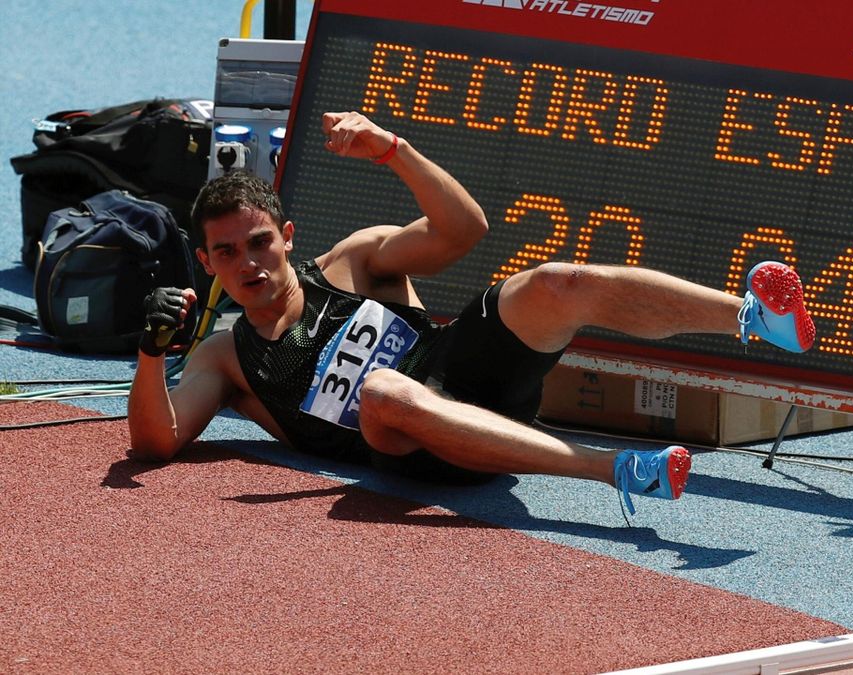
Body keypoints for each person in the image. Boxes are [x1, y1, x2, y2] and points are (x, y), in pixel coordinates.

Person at [127, 110, 815, 515]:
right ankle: (618, 470)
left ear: (287, 238)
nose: (249, 263)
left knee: (555, 280)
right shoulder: (224, 354)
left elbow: (464, 231)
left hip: (467, 372)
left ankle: (754, 316)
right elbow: (158, 442)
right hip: (409, 441)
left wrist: (393, 150)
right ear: (207, 262)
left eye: (259, 243)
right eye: (228, 252)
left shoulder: (355, 261)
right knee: (383, 388)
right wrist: (152, 353)